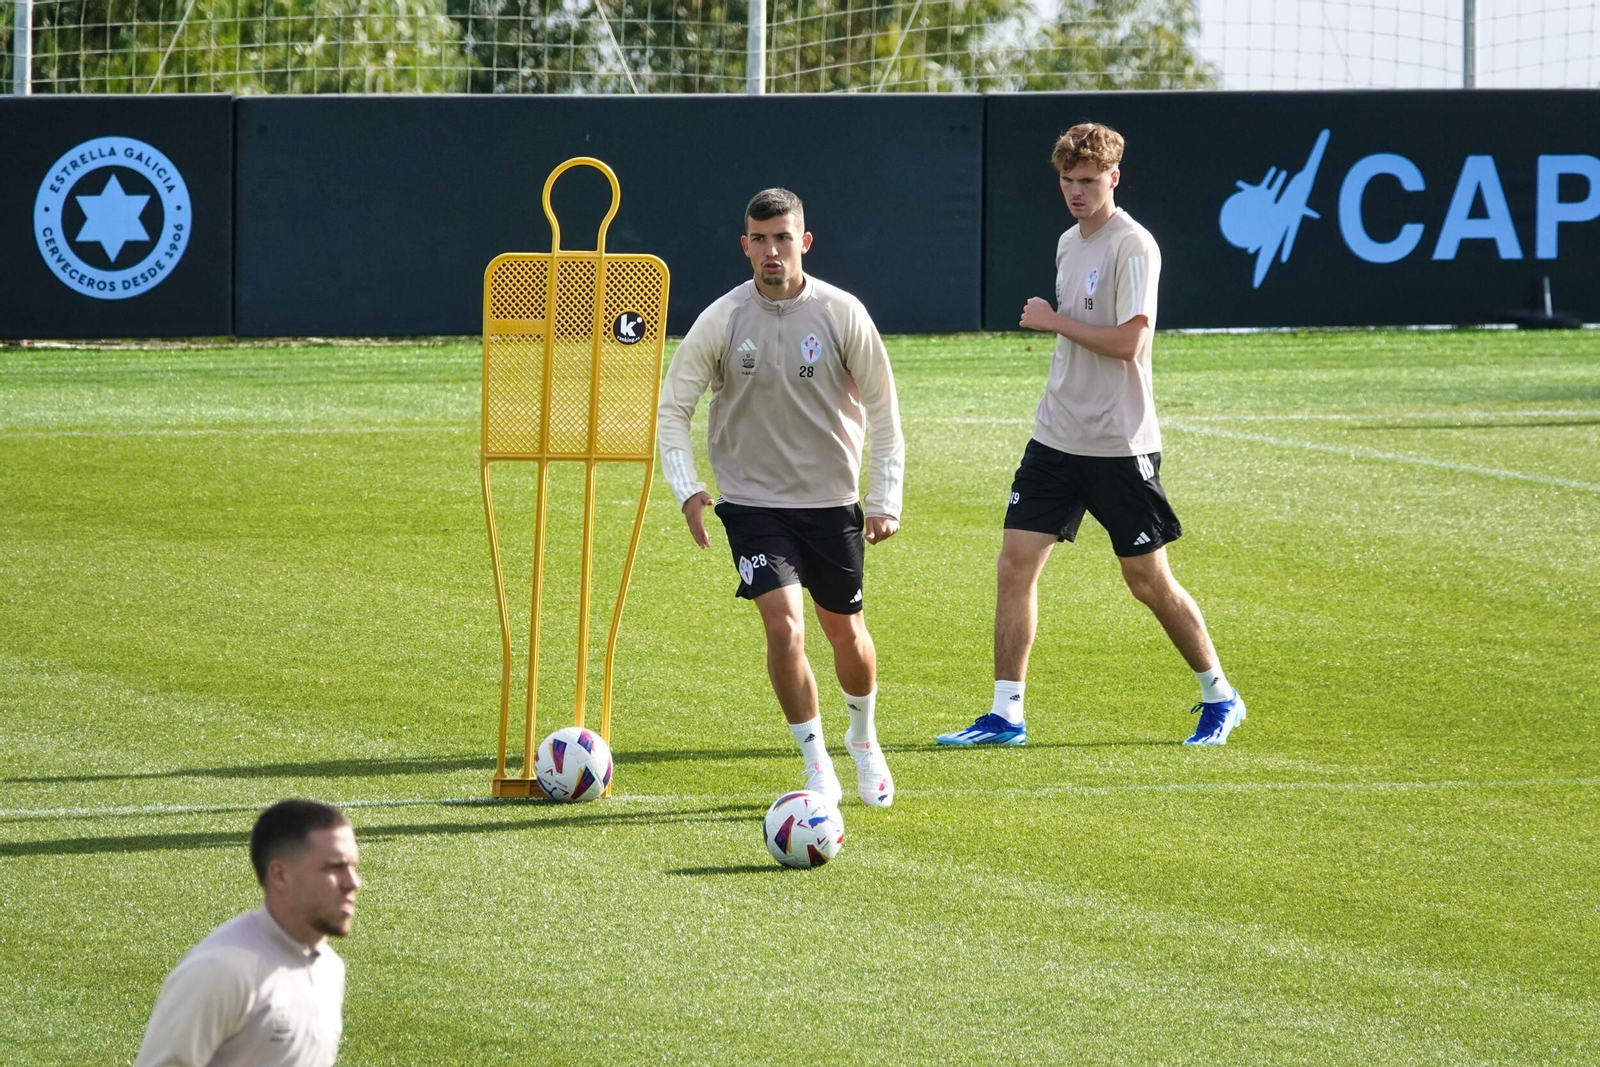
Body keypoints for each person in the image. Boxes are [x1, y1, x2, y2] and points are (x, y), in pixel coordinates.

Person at [936, 122, 1246, 749]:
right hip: (1056, 436)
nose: (1076, 192)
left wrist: (1053, 322)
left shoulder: (1134, 247)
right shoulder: (1067, 242)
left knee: (1146, 580)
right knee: (1014, 565)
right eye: (1066, 180)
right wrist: (1060, 327)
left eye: (1087, 180)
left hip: (1118, 442)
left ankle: (1220, 694)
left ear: (1113, 178)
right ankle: (1006, 714)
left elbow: (1132, 342)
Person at [658, 187, 905, 807]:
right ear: (745, 246)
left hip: (831, 502)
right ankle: (815, 759)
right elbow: (672, 410)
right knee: (785, 627)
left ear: (805, 241)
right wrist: (688, 490)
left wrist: (885, 498)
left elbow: (884, 411)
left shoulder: (842, 312)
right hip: (751, 503)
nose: (772, 251)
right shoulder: (722, 318)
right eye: (760, 239)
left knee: (844, 632)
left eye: (783, 238)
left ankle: (863, 740)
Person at [135, 800, 361, 1067]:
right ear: (280, 875)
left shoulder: (328, 968)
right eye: (333, 868)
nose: (353, 882)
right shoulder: (221, 970)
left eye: (353, 866)